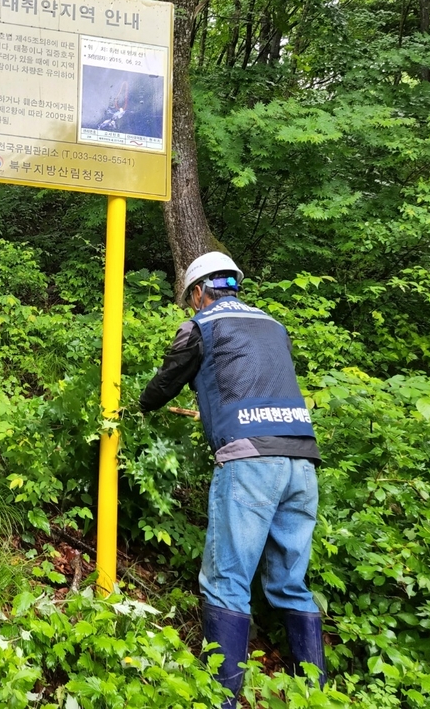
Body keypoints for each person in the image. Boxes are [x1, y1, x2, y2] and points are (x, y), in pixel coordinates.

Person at [139, 251, 326, 708]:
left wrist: (138, 408)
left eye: (191, 299)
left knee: (226, 580)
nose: (192, 306)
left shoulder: (202, 326)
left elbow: (166, 383)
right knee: (289, 582)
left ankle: (220, 696)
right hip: (302, 461)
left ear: (200, 292)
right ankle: (315, 694)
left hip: (249, 464)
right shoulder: (272, 324)